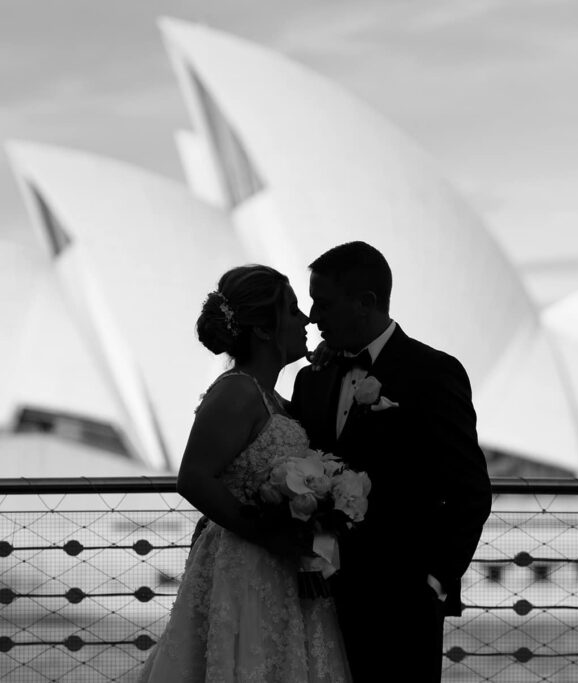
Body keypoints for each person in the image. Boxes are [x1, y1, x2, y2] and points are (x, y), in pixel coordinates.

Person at [290, 241, 493, 682]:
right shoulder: (311, 379)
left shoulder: (433, 372)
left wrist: (435, 582)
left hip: (402, 606)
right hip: (316, 600)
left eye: (322, 303)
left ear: (365, 303)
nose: (311, 316)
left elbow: (470, 492)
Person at [139, 265, 351, 683]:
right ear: (264, 331)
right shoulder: (237, 390)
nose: (305, 319)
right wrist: (269, 535)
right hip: (246, 567)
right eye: (292, 311)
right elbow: (194, 477)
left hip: (280, 570)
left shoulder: (269, 396)